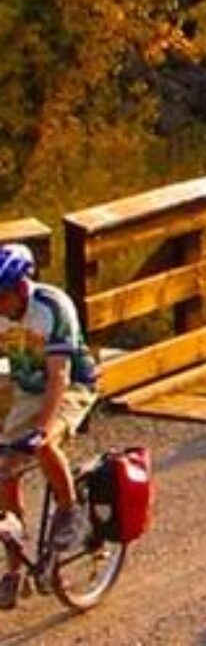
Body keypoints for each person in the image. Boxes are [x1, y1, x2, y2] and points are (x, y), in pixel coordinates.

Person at [0, 243, 99, 608]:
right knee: (5, 473)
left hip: (73, 385)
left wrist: (41, 428)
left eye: (1, 297)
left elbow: (59, 375)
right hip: (28, 390)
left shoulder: (52, 308)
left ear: (19, 289)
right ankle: (14, 570)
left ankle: (70, 509)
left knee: (42, 444)